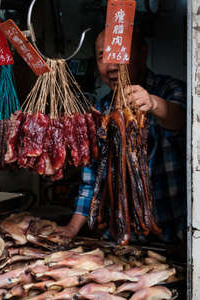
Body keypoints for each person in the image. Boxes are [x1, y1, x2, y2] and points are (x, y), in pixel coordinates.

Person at [55, 29, 187, 243]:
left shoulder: (171, 89)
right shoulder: (101, 110)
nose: (112, 66)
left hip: (175, 237)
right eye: (102, 57)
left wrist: (152, 103)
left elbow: (178, 119)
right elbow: (92, 179)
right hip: (123, 240)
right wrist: (72, 228)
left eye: (120, 55)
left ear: (143, 53)